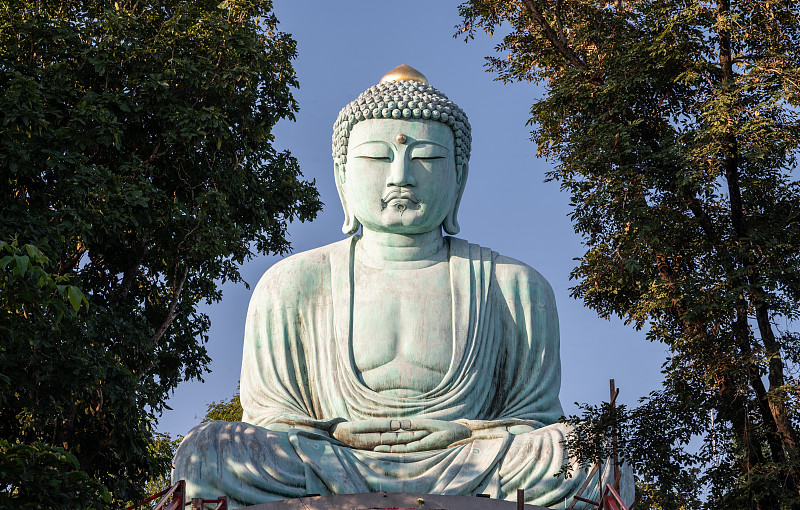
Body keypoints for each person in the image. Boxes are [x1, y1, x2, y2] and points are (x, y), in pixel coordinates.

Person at [172, 65, 634, 509]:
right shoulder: (290, 283)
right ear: (341, 177)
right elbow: (273, 417)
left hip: (472, 461)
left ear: (459, 178)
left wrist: (468, 432)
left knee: (591, 457)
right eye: (376, 157)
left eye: (428, 158)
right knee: (206, 452)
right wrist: (333, 433)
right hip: (329, 460)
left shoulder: (513, 286)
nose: (400, 176)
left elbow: (533, 417)